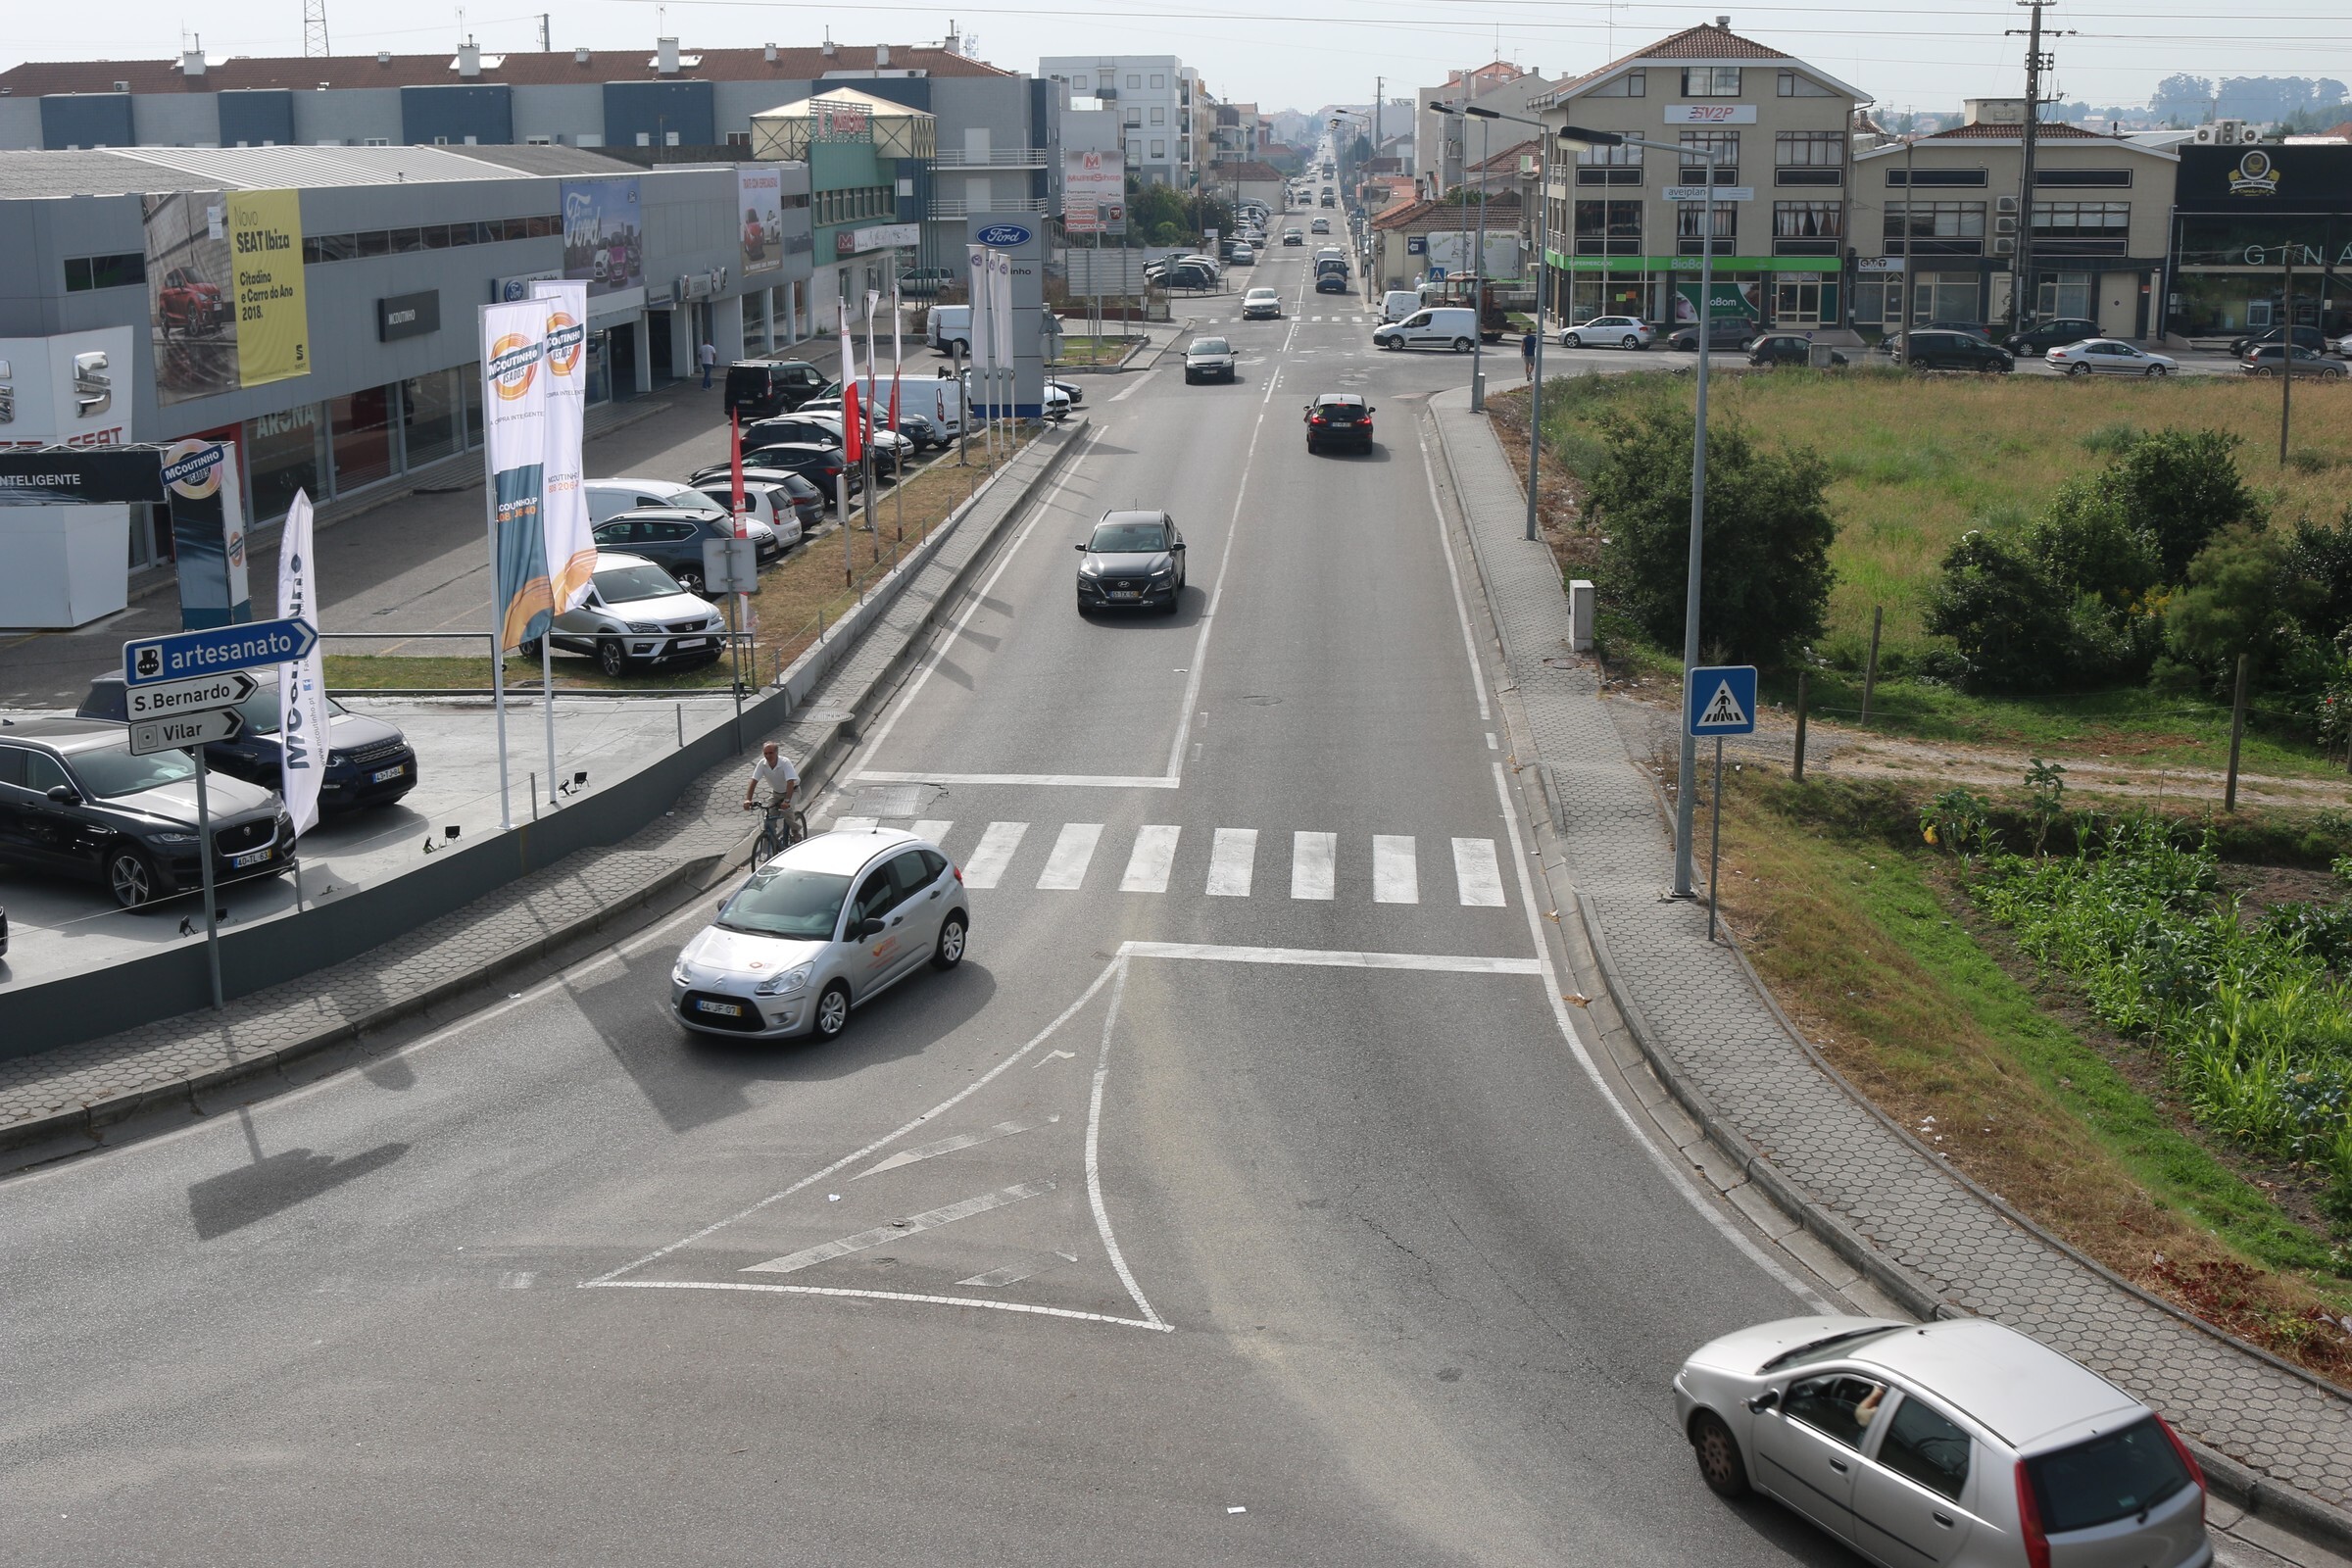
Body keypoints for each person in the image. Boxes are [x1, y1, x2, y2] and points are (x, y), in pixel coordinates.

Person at [743, 741, 800, 830]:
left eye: (771, 753)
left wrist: (787, 801)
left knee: (786, 810)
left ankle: (795, 831)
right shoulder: (762, 764)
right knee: (769, 816)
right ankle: (771, 836)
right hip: (776, 793)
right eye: (765, 753)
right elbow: (753, 781)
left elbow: (790, 782)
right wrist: (748, 799)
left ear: (777, 752)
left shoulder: (785, 762)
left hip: (792, 791)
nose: (768, 756)